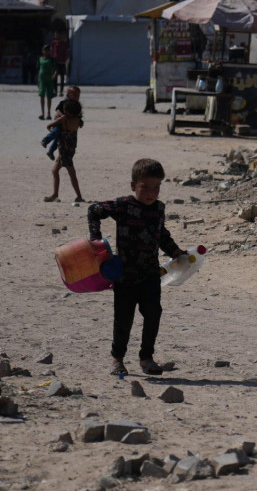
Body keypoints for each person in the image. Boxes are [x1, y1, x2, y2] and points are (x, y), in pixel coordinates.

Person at [87, 158, 185, 376]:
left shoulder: (159, 208)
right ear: (133, 185)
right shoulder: (123, 206)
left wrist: (175, 251)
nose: (151, 193)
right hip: (125, 276)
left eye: (156, 187)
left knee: (153, 313)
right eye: (145, 187)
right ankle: (117, 359)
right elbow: (94, 210)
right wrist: (96, 240)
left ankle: (146, 358)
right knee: (123, 319)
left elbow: (162, 235)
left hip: (150, 274)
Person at [43, 99, 84, 204]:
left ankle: (79, 196)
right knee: (55, 170)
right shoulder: (77, 119)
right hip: (70, 148)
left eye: (65, 110)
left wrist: (51, 127)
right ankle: (55, 194)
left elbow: (50, 125)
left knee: (71, 172)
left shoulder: (64, 119)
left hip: (64, 149)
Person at [41, 86, 82, 160]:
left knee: (58, 140)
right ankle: (45, 140)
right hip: (59, 123)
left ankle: (50, 151)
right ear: (68, 95)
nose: (77, 97)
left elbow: (78, 115)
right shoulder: (64, 103)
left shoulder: (77, 105)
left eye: (78, 95)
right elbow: (57, 110)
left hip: (67, 127)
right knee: (56, 132)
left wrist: (80, 122)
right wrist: (62, 116)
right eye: (74, 95)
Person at [36, 44, 56, 120]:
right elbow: (38, 69)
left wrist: (54, 75)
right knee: (41, 96)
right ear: (43, 51)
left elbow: (55, 69)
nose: (47, 51)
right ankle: (42, 113)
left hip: (49, 80)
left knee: (49, 96)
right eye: (45, 50)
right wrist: (38, 80)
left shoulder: (52, 59)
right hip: (42, 80)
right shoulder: (40, 59)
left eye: (48, 50)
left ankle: (48, 113)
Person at [50, 28, 70, 96]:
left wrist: (67, 58)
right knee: (55, 76)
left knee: (62, 77)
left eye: (57, 34)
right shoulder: (53, 42)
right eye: (55, 34)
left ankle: (61, 91)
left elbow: (67, 51)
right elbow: (52, 51)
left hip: (62, 61)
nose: (56, 36)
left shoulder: (64, 42)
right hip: (55, 60)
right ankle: (55, 90)